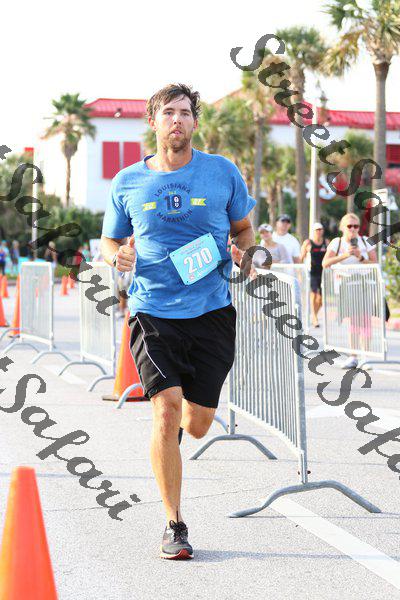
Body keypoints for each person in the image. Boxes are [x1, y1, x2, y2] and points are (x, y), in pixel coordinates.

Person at [100, 83, 256, 560]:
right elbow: (110, 240)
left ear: (195, 122)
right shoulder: (127, 181)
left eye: (185, 113)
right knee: (166, 409)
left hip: (211, 311)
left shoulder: (221, 172)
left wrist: (245, 256)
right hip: (153, 311)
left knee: (198, 422)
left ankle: (180, 430)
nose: (177, 120)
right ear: (153, 121)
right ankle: (174, 523)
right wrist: (118, 256)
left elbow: (244, 229)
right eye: (168, 112)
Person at [322, 213, 377, 368]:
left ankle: (366, 356)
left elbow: (375, 263)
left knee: (365, 320)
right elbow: (325, 263)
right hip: (347, 284)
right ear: (342, 227)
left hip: (365, 283)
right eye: (349, 226)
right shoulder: (337, 242)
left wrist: (360, 257)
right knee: (353, 321)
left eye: (356, 226)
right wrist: (346, 255)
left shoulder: (365, 241)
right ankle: (353, 356)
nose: (353, 229)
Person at [300, 222, 328, 327]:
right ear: (313, 231)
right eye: (317, 230)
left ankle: (314, 315)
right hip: (312, 272)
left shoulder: (326, 242)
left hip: (323, 272)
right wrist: (300, 273)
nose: (319, 232)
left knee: (321, 299)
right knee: (314, 294)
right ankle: (315, 318)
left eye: (320, 229)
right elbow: (301, 258)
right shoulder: (308, 243)